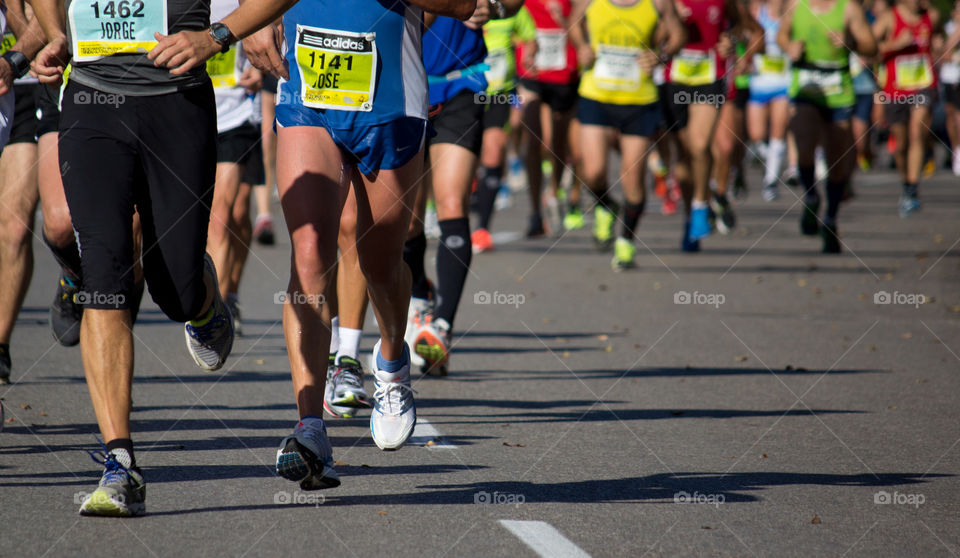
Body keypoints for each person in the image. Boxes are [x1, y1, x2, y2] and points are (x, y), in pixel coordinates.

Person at [32, 0, 237, 516]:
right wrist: (55, 32)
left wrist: (219, 36)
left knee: (176, 292)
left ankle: (202, 298)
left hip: (177, 102)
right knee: (104, 276)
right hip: (91, 102)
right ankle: (119, 462)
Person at [406, 0, 524, 376]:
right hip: (402, 85)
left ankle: (441, 327)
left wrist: (494, 6)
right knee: (406, 221)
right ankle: (420, 296)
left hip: (461, 85)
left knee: (452, 203)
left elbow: (513, 3)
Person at [569, 0, 686, 269]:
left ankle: (626, 242)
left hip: (639, 100)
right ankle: (606, 205)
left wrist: (661, 55)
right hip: (596, 95)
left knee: (632, 181)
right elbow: (573, 23)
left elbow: (679, 34)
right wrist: (582, 46)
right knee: (592, 172)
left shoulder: (658, 2)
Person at [662, 0, 762, 252]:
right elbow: (650, 32)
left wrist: (732, 41)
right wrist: (669, 23)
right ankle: (689, 215)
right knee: (683, 156)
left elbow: (742, 25)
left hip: (709, 77)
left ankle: (700, 205)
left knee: (700, 145)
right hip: (674, 80)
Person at [778, 0, 877, 253]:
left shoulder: (848, 8)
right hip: (805, 87)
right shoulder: (796, 5)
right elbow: (781, 34)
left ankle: (831, 219)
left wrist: (850, 42)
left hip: (838, 91)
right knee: (804, 147)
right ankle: (811, 197)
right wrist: (789, 46)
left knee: (837, 162)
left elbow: (872, 46)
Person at [205, 0, 262, 334]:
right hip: (189, 114)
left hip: (237, 115)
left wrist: (261, 67)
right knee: (212, 217)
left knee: (228, 217)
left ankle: (221, 304)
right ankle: (215, 300)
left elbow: (276, 16)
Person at [0, 1, 48, 384]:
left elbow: (46, 26)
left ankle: (0, 342)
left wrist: (13, 59)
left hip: (28, 90)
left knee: (16, 226)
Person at [471, 7, 537, 253]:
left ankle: (482, 229)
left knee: (494, 151)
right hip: (466, 91)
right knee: (467, 155)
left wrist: (529, 55)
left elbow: (530, 38)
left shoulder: (510, 6)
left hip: (500, 93)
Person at [516, 0, 581, 237]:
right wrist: (521, 42)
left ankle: (555, 192)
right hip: (532, 73)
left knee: (558, 145)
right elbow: (505, 16)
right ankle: (535, 212)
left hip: (564, 75)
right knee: (534, 142)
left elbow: (585, 27)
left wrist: (565, 21)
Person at [873, 0, 937, 218]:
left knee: (917, 132)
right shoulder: (889, 18)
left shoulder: (931, 16)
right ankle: (906, 182)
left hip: (923, 85)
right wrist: (895, 44)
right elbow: (868, 49)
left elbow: (938, 41)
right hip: (895, 89)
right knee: (901, 145)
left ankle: (912, 187)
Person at [746, 0, 792, 202]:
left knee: (778, 132)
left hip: (783, 83)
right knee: (756, 135)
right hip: (759, 83)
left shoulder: (791, 15)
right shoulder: (757, 14)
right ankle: (769, 159)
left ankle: (771, 181)